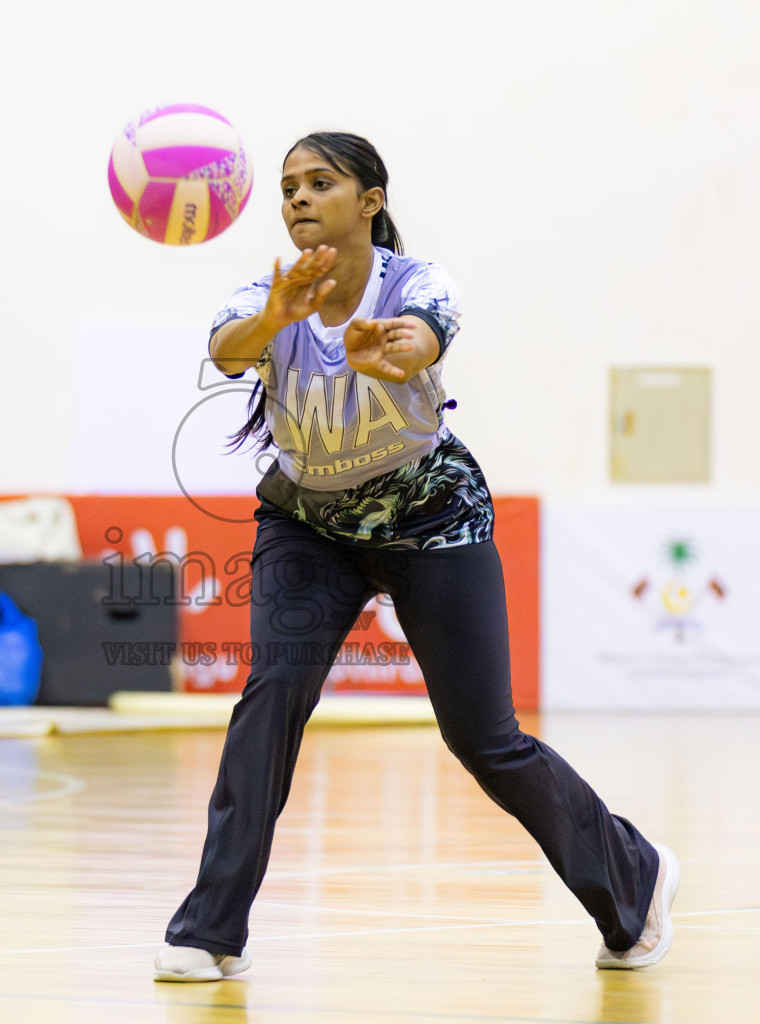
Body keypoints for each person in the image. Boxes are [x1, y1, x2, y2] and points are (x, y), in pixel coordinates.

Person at [154, 132, 679, 982]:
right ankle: (209, 930)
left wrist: (396, 354)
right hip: (310, 526)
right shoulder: (265, 296)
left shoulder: (418, 284)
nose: (297, 198)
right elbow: (226, 352)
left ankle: (634, 875)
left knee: (484, 740)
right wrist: (278, 317)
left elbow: (424, 339)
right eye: (287, 186)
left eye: (320, 182)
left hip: (432, 520)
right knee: (271, 700)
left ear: (370, 200)